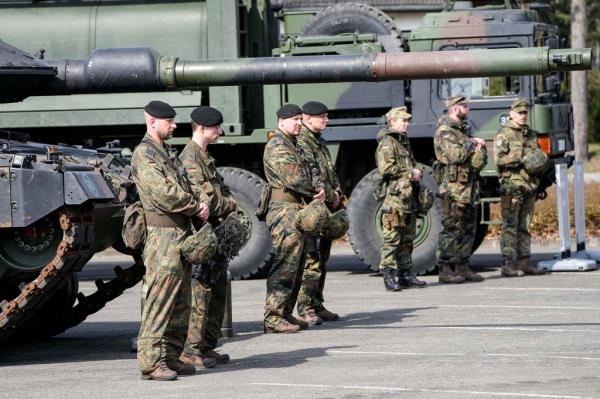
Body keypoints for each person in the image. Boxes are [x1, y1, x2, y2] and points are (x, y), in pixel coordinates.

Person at [132, 100, 209, 381]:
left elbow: (187, 183)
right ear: (152, 121)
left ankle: (170, 357)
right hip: (162, 237)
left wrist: (199, 201)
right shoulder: (144, 154)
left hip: (180, 233)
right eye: (170, 121)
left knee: (181, 302)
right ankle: (151, 362)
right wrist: (193, 205)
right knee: (159, 299)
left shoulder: (166, 152)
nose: (175, 125)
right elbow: (163, 193)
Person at [178, 106, 237, 368]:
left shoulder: (205, 157)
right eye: (216, 128)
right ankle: (191, 349)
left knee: (217, 289)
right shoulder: (190, 159)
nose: (220, 132)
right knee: (200, 291)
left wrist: (225, 202)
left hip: (215, 234)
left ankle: (207, 346)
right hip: (202, 234)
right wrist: (228, 205)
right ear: (201, 128)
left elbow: (221, 192)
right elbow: (208, 201)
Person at [262, 103, 326, 333]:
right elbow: (294, 178)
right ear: (281, 121)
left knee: (298, 263)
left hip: (298, 207)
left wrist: (319, 186)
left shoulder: (297, 144)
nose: (299, 123)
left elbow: (313, 170)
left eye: (301, 119)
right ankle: (273, 315)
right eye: (295, 120)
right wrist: (314, 189)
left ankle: (286, 313)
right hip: (284, 209)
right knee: (285, 262)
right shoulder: (277, 144)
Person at [295, 101, 341, 325]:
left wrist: (337, 192)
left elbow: (328, 173)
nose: (326, 120)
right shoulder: (303, 141)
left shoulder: (317, 141)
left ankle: (317, 303)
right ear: (307, 118)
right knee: (311, 260)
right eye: (322, 117)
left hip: (326, 207)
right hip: (314, 208)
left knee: (322, 258)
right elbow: (313, 178)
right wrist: (331, 195)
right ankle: (305, 308)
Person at [433, 96, 487, 284]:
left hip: (469, 187)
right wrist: (473, 143)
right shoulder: (445, 131)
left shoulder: (462, 131)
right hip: (453, 189)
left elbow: (472, 159)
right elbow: (456, 155)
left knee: (468, 227)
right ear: (455, 109)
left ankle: (462, 266)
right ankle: (446, 269)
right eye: (464, 106)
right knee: (452, 228)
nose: (468, 109)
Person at [375, 106, 428, 291]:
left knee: (407, 238)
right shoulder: (388, 142)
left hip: (407, 198)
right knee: (392, 238)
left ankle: (405, 274)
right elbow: (386, 169)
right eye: (403, 120)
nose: (406, 123)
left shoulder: (403, 141)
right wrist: (410, 171)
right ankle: (388, 275)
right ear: (392, 122)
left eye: (407, 120)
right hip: (394, 199)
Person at [494, 98, 546, 277]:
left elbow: (538, 155)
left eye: (525, 113)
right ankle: (507, 265)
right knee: (510, 225)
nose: (523, 116)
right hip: (512, 186)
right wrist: (521, 158)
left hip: (529, 186)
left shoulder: (531, 134)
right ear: (512, 114)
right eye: (520, 113)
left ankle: (524, 263)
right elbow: (499, 159)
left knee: (525, 226)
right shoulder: (504, 134)